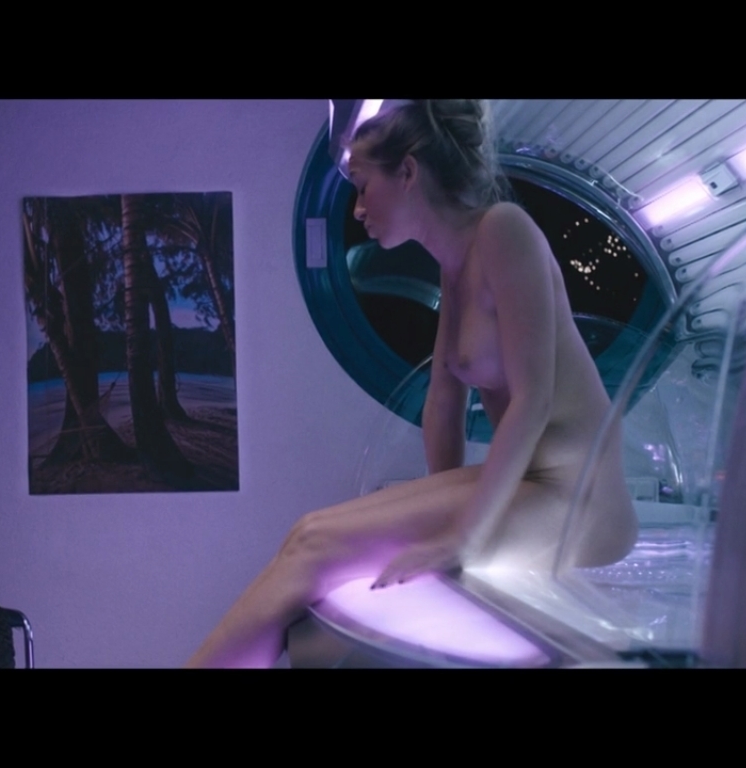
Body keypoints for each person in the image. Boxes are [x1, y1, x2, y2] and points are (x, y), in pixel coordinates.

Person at [187, 100, 637, 668]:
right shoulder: (455, 263)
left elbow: (533, 399)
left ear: (407, 172)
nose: (357, 209)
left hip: (580, 502)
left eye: (361, 186)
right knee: (308, 532)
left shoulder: (505, 229)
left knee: (318, 547)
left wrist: (460, 538)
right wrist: (438, 508)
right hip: (534, 484)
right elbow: (443, 402)